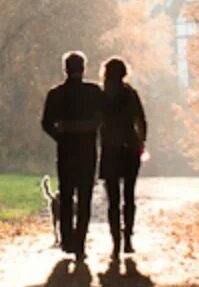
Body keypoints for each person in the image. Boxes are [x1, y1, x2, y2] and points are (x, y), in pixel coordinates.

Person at [40, 50, 105, 260]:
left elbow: (46, 123)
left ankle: (67, 239)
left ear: (65, 69)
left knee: (66, 195)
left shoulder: (56, 94)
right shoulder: (94, 92)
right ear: (83, 68)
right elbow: (102, 119)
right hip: (87, 150)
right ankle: (80, 242)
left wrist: (60, 135)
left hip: (66, 149)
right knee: (84, 197)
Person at [98, 56, 148, 259]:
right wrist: (141, 142)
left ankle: (115, 242)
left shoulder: (101, 96)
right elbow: (141, 120)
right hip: (129, 147)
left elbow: (96, 121)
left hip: (109, 148)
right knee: (129, 195)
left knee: (112, 199)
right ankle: (127, 238)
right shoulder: (130, 94)